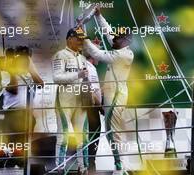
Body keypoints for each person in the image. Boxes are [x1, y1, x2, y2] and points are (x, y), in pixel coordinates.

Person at [83, 7, 134, 175]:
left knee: (112, 133)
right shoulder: (121, 48)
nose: (114, 39)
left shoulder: (123, 55)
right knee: (115, 133)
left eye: (118, 38)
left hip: (116, 96)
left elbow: (96, 53)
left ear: (125, 40)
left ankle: (120, 167)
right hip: (114, 95)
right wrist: (99, 16)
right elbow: (108, 32)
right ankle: (122, 167)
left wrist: (83, 37)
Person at [52, 27, 90, 175]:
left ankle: (83, 168)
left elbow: (85, 79)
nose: (81, 41)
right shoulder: (60, 55)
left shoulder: (82, 58)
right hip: (64, 101)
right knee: (64, 135)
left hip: (80, 101)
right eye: (78, 38)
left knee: (83, 136)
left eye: (82, 38)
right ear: (69, 39)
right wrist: (77, 75)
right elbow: (57, 78)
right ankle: (60, 168)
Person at [1, 46, 43, 169]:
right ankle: (12, 167)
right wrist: (12, 70)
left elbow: (41, 84)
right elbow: (14, 89)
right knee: (12, 146)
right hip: (11, 114)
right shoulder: (6, 71)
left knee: (24, 147)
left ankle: (22, 166)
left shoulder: (28, 73)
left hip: (26, 114)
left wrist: (31, 69)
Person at [83, 46, 103, 173]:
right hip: (90, 108)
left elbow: (95, 89)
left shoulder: (92, 68)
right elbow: (88, 88)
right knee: (92, 136)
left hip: (94, 107)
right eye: (98, 53)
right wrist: (98, 105)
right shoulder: (86, 67)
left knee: (94, 136)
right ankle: (89, 165)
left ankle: (91, 164)